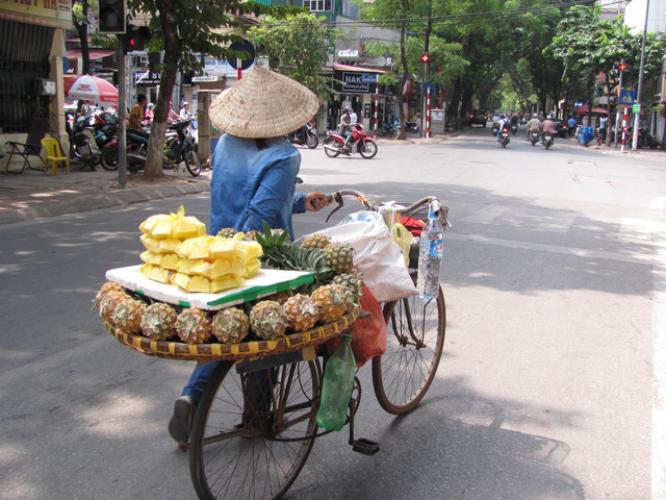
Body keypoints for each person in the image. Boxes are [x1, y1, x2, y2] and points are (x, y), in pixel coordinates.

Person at [168, 67, 329, 445]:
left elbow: (245, 196)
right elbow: (259, 216)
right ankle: (257, 414)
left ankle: (192, 395)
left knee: (225, 333)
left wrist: (302, 202)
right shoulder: (285, 156)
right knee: (266, 335)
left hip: (213, 257)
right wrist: (248, 250)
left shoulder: (225, 143)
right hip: (258, 262)